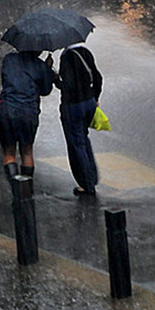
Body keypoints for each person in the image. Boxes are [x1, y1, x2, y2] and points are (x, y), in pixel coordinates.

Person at [0, 50, 55, 184]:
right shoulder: (40, 66)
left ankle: (14, 186)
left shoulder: (9, 59)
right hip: (28, 113)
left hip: (7, 110)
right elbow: (45, 91)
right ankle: (26, 188)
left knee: (9, 152)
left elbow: (5, 80)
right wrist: (48, 70)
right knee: (27, 151)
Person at [55, 42, 102, 196]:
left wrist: (56, 78)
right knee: (84, 140)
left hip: (73, 106)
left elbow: (68, 86)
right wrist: (95, 97)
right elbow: (97, 77)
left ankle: (87, 185)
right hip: (89, 103)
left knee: (77, 144)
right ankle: (92, 177)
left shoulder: (67, 57)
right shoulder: (85, 52)